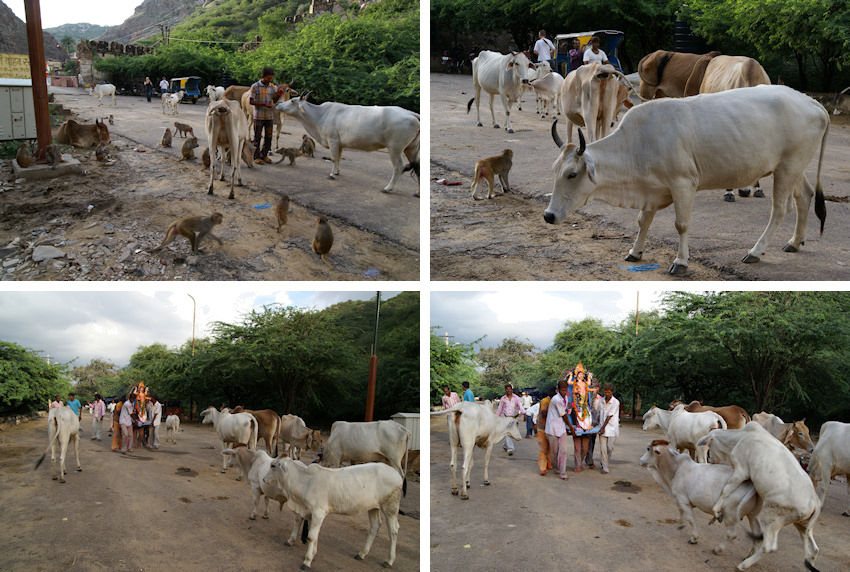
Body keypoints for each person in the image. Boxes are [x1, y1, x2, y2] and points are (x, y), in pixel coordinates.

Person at [249, 66, 285, 165]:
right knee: (257, 137)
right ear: (263, 76)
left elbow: (274, 100)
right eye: (268, 78)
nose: (270, 80)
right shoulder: (255, 86)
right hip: (258, 116)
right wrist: (264, 104)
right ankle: (256, 157)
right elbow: (251, 101)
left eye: (271, 78)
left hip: (269, 116)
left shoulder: (272, 87)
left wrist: (279, 94)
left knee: (269, 137)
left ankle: (264, 155)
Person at [545, 381, 572, 480]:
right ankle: (556, 468)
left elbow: (567, 410)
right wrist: (571, 428)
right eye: (562, 390)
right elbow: (563, 415)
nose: (564, 392)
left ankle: (563, 473)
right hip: (552, 429)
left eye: (565, 390)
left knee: (563, 451)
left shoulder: (565, 397)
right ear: (558, 390)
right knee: (554, 452)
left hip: (561, 429)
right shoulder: (556, 399)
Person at [497, 383, 525, 456]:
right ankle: (510, 449)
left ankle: (505, 445)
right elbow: (500, 408)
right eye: (507, 389)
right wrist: (496, 417)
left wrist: (524, 412)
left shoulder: (516, 398)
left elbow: (520, 406)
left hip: (514, 418)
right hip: (505, 418)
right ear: (505, 390)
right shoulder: (503, 399)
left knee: (510, 434)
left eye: (510, 389)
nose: (509, 391)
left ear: (512, 390)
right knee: (507, 433)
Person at [599, 384, 620, 474]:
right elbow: (598, 413)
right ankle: (605, 467)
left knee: (610, 448)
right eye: (605, 391)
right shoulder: (601, 401)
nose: (607, 393)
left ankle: (604, 461)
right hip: (601, 428)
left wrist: (603, 428)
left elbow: (609, 416)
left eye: (609, 391)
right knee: (603, 449)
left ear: (612, 392)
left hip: (611, 428)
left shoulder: (615, 402)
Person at [535, 387, 555, 475]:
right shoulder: (545, 401)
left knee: (550, 448)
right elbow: (543, 413)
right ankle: (542, 468)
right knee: (543, 449)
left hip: (550, 428)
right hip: (542, 427)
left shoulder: (553, 401)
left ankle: (549, 465)